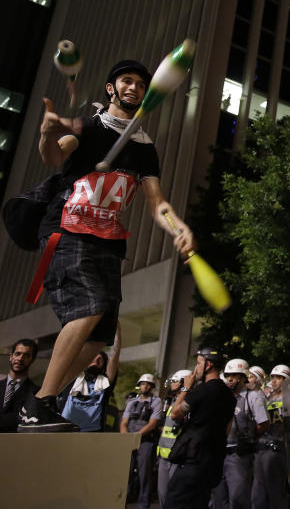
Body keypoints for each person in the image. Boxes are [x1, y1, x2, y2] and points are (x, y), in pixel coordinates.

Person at [21, 61, 196, 431]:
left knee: (100, 335)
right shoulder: (89, 126)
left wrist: (177, 227)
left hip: (107, 241)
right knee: (90, 306)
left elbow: (156, 202)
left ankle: (39, 401)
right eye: (126, 81)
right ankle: (39, 403)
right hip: (66, 230)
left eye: (140, 84)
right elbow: (54, 156)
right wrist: (46, 134)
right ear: (110, 88)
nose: (133, 87)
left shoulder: (145, 149)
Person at [164, 348, 235, 508]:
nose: (195, 369)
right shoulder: (230, 396)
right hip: (213, 464)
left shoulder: (202, 390)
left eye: (198, 363)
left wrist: (186, 387)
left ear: (208, 365)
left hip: (193, 462)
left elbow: (175, 414)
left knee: (175, 502)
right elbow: (227, 429)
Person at [211, 358, 268, 509]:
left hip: (239, 456)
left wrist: (249, 439)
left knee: (238, 498)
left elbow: (263, 423)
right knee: (218, 499)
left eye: (234, 375)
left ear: (243, 377)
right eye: (228, 374)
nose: (229, 378)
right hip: (219, 453)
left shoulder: (253, 396)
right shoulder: (221, 397)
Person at [58, 326, 121, 432]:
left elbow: (115, 354)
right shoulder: (72, 379)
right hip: (65, 431)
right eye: (93, 358)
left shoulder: (105, 382)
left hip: (92, 434)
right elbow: (67, 350)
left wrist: (116, 327)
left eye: (100, 360)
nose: (96, 361)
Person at [253, 364, 290, 509]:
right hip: (261, 448)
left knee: (276, 492)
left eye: (279, 378)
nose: (275, 381)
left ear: (287, 380)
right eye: (273, 377)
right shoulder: (266, 398)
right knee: (258, 493)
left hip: (278, 449)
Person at [121, 373, 163, 509]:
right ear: (139, 385)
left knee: (144, 474)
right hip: (129, 441)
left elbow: (153, 424)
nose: (144, 386)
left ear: (151, 386)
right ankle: (122, 503)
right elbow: (124, 422)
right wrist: (126, 437)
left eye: (147, 384)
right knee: (124, 473)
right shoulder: (132, 402)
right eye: (142, 384)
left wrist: (137, 436)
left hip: (145, 442)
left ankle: (143, 505)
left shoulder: (156, 401)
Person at [157, 369, 192, 507]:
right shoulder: (170, 402)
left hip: (178, 455)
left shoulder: (188, 403)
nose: (172, 384)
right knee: (162, 493)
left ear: (184, 382)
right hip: (163, 454)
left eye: (175, 381)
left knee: (175, 496)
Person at [1, 339, 39, 432]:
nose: (20, 359)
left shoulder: (36, 393)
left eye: (26, 356)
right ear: (11, 357)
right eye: (17, 354)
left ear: (32, 360)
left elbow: (25, 421)